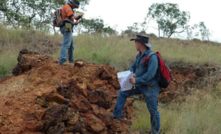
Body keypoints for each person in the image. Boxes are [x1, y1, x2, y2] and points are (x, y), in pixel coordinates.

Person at [112, 35, 161, 134]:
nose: (134, 45)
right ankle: (116, 116)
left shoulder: (153, 57)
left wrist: (136, 80)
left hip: (149, 87)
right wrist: (131, 74)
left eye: (135, 43)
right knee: (122, 92)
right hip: (139, 84)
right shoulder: (139, 55)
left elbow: (150, 75)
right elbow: (133, 67)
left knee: (153, 111)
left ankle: (156, 132)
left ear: (140, 44)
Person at [59, 0, 83, 65]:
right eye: (75, 6)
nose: (75, 7)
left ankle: (71, 60)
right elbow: (72, 17)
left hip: (68, 27)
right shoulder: (67, 7)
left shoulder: (70, 9)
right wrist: (78, 14)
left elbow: (69, 19)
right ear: (72, 3)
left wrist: (74, 23)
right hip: (66, 27)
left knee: (71, 45)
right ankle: (62, 61)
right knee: (66, 44)